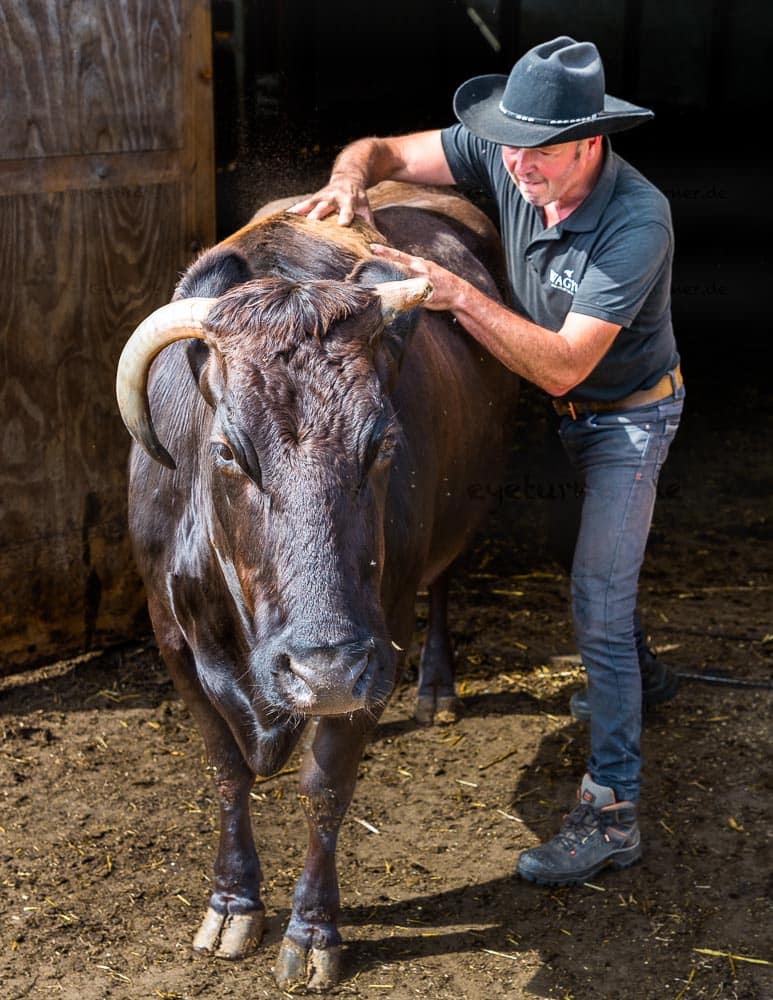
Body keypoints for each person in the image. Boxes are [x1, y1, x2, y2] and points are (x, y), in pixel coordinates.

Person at [290, 35, 685, 886]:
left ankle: (611, 813)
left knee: (595, 600)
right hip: (558, 404)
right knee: (599, 566)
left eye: (538, 153)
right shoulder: (509, 151)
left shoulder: (636, 220)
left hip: (624, 417)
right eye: (508, 147)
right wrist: (349, 180)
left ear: (590, 141)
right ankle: (643, 676)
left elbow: (563, 365)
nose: (517, 167)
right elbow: (384, 151)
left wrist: (456, 292)